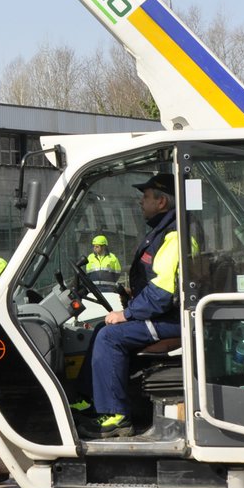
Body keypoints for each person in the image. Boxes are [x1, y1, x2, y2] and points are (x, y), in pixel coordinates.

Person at [71, 171, 184, 440]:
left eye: (145, 197)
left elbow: (163, 293)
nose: (140, 202)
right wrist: (133, 297)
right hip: (162, 313)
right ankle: (91, 401)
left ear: (161, 202)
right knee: (101, 329)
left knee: (110, 336)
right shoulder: (161, 232)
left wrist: (128, 312)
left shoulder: (174, 235)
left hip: (171, 319)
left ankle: (117, 416)